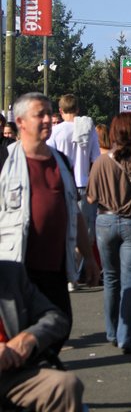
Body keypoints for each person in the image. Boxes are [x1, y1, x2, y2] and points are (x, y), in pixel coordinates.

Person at [0, 92, 99, 344]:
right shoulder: (6, 159)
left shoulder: (61, 161)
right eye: (39, 115)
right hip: (17, 268)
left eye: (48, 114)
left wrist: (88, 257)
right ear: (20, 122)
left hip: (55, 268)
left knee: (60, 325)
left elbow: (73, 213)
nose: (47, 120)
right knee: (19, 333)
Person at [86, 112, 131, 354]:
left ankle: (111, 331)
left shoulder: (101, 162)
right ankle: (127, 338)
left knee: (111, 279)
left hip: (104, 222)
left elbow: (91, 197)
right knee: (130, 280)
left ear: (114, 133)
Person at [0, 261, 85, 412]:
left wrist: (30, 337)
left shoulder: (12, 273)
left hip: (13, 375)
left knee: (65, 386)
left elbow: (55, 317)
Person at [47, 93, 101, 288]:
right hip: (85, 184)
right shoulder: (89, 130)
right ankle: (74, 273)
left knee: (63, 229)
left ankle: (66, 272)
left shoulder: (54, 132)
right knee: (84, 232)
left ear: (60, 111)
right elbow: (96, 159)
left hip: (62, 184)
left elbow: (50, 160)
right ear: (77, 109)